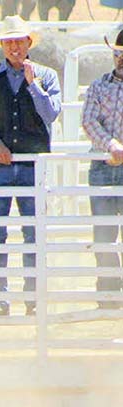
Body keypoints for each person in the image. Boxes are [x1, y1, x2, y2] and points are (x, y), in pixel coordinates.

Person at [0, 15, 61, 317]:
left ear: (28, 43)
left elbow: (51, 114)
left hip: (34, 164)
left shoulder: (46, 77)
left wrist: (33, 85)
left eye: (19, 41)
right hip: (1, 164)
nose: (14, 47)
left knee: (34, 234)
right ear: (3, 45)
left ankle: (33, 299)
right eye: (9, 42)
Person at [80, 29, 123, 310]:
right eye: (118, 53)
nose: (120, 58)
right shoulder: (98, 85)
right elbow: (89, 120)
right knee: (104, 235)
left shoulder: (98, 86)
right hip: (104, 164)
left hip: (107, 162)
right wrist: (112, 145)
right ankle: (109, 292)